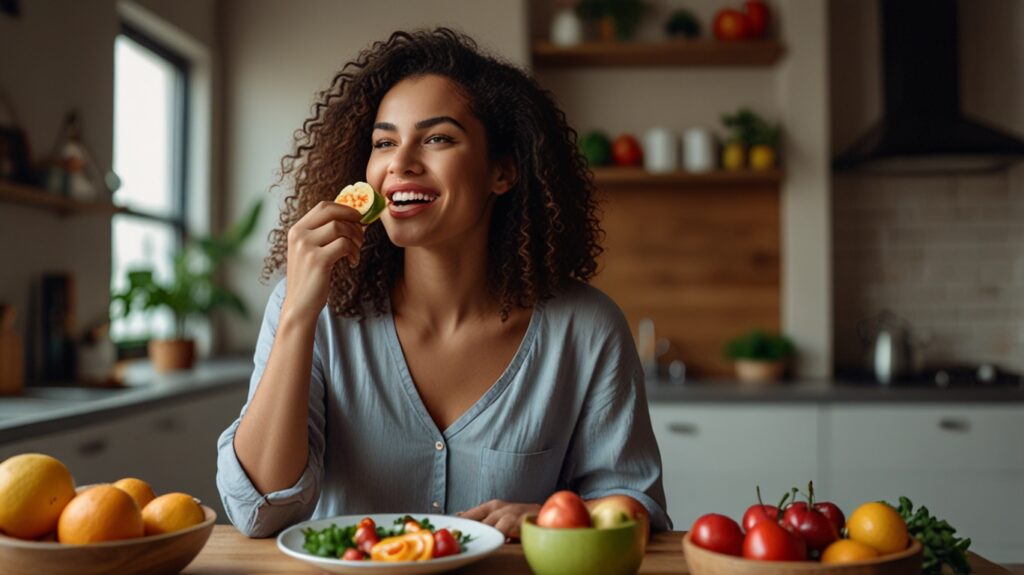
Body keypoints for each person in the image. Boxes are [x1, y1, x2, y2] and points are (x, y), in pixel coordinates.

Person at [216, 27, 671, 539]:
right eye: (384, 142)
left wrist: (549, 520)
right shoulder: (313, 307)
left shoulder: (588, 327)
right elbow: (260, 512)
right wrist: (298, 314)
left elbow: (634, 504)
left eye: (437, 139)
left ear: (502, 173)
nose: (400, 163)